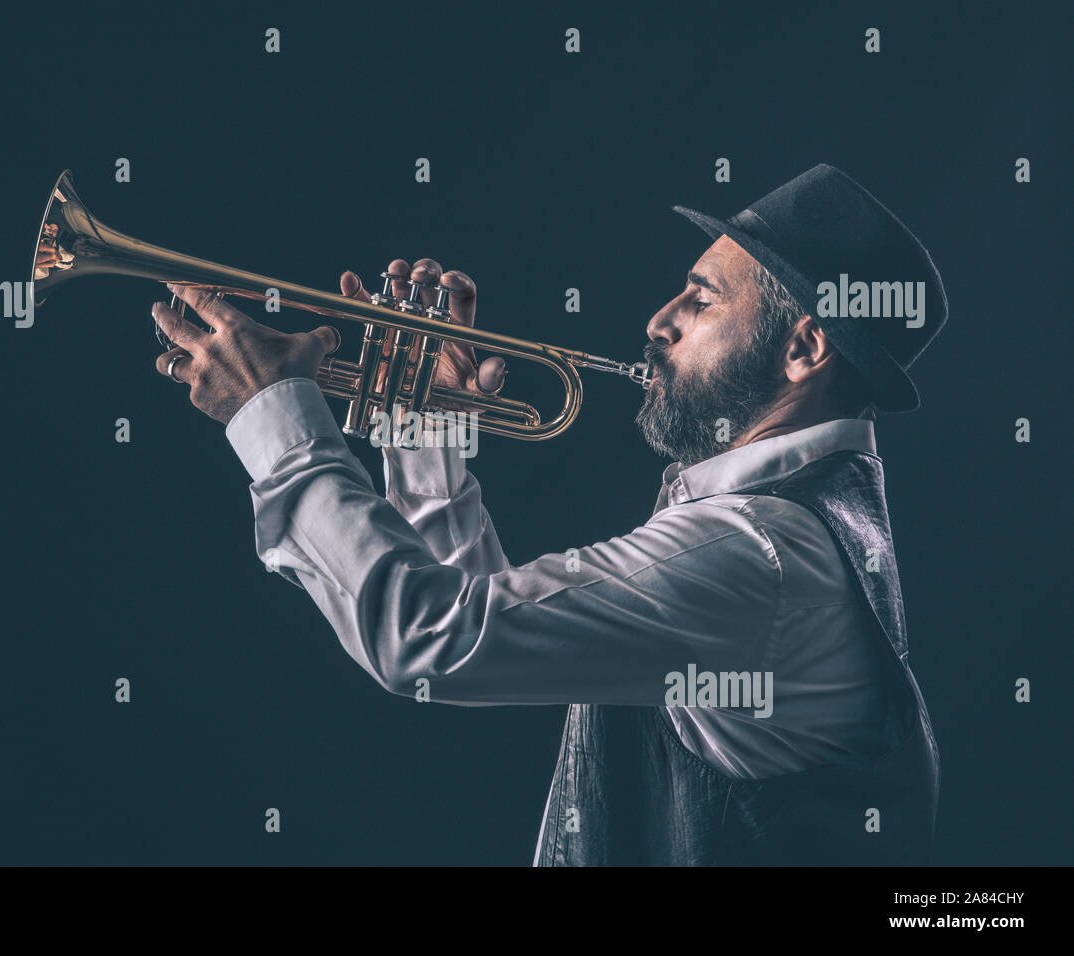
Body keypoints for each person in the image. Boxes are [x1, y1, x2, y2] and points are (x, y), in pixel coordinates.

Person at [151, 164, 946, 865]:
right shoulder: (775, 528)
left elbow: (428, 640)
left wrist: (275, 415)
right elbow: (490, 641)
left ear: (803, 350)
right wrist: (425, 430)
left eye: (701, 301)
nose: (658, 321)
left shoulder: (757, 553)